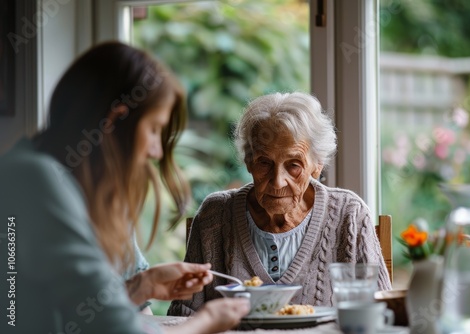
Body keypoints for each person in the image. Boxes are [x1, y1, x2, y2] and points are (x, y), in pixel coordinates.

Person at [0, 42, 249, 334]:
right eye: (154, 129)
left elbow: (75, 313)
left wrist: (142, 285)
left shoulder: (43, 173)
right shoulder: (37, 180)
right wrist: (205, 322)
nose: (157, 151)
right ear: (115, 120)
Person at [168, 92, 392, 316]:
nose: (277, 181)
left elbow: (381, 315)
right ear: (248, 161)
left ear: (317, 165)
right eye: (264, 163)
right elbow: (182, 317)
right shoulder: (215, 216)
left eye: (293, 165)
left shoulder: (349, 214)